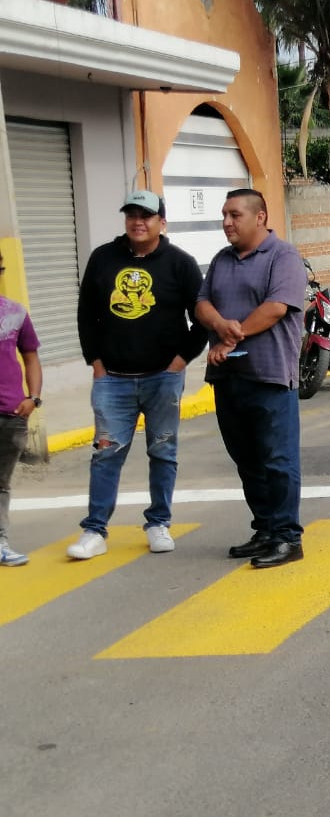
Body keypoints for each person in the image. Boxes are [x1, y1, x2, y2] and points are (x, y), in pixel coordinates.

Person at [65, 190, 206, 560]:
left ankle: (158, 522)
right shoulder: (102, 258)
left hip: (163, 377)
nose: (137, 222)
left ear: (162, 221)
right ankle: (94, 530)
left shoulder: (180, 263)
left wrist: (182, 359)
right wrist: (95, 362)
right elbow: (86, 315)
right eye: (131, 214)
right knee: (106, 454)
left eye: (145, 215)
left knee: (163, 452)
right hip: (112, 378)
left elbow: (203, 316)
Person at [194, 188, 308, 569]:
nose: (226, 222)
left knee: (278, 459)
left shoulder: (283, 256)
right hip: (228, 378)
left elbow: (276, 308)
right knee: (246, 459)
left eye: (235, 214)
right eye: (224, 214)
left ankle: (287, 537)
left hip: (271, 375)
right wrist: (219, 324)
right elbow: (201, 303)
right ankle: (265, 529)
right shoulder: (221, 260)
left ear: (260, 217)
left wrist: (231, 335)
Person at [0, 253, 43, 567]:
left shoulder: (15, 313)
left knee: (1, 483)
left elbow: (30, 357)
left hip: (11, 414)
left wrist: (34, 398)